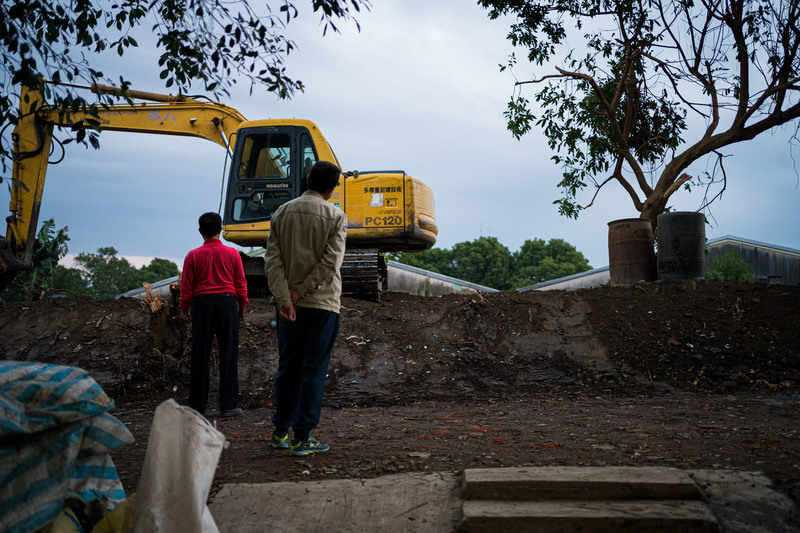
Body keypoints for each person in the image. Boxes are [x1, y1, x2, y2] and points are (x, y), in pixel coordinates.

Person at [265, 160, 347, 456]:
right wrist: (301, 292)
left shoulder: (281, 212)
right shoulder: (336, 216)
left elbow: (272, 260)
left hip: (288, 308)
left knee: (288, 367)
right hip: (323, 305)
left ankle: (279, 431)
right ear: (330, 187)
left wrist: (285, 297)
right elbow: (330, 263)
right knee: (313, 369)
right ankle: (302, 437)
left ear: (307, 180)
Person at [180, 212, 248, 417]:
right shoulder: (233, 253)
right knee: (229, 354)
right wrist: (241, 308)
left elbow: (186, 289)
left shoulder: (193, 255)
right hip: (227, 304)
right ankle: (228, 405)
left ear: (200, 232)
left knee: (200, 355)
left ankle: (197, 406)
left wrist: (185, 311)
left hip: (203, 306)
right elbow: (240, 284)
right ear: (221, 230)